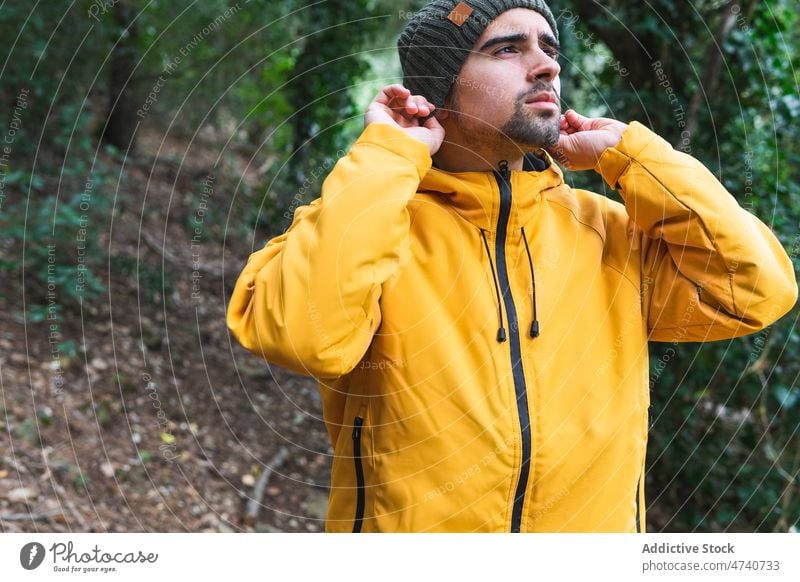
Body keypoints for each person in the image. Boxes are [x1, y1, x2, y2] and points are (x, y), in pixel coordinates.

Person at [227, 0, 797, 532]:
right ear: (439, 89)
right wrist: (387, 154)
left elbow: (756, 289)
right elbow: (304, 338)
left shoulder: (608, 230)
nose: (546, 65)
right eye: (507, 49)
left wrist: (633, 156)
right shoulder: (370, 221)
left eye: (549, 48)